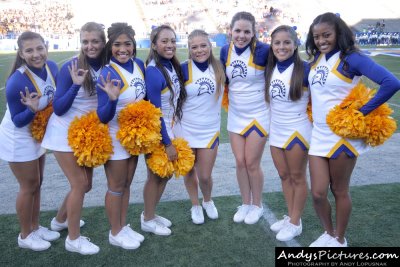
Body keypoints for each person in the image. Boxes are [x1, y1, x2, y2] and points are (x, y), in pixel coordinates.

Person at [305, 12, 400, 247]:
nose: (321, 41)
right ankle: (328, 233)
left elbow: (391, 82)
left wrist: (361, 112)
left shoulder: (352, 58)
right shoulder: (316, 60)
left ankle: (339, 238)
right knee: (317, 192)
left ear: (339, 33)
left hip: (342, 135)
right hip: (319, 133)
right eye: (316, 37)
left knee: (339, 190)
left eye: (326, 35)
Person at [41, 22, 106, 255]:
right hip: (63, 133)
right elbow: (58, 108)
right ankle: (73, 239)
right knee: (79, 184)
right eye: (85, 41)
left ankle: (60, 220)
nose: (90, 46)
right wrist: (76, 86)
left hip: (87, 136)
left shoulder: (108, 66)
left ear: (103, 42)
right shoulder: (72, 66)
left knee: (86, 185)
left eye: (95, 41)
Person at [0, 31, 60, 251]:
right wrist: (32, 111)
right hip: (18, 136)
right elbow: (17, 121)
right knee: (28, 185)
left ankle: (35, 226)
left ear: (46, 46)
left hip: (37, 133)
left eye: (39, 48)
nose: (36, 54)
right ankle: (25, 235)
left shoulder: (52, 67)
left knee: (38, 182)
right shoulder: (17, 81)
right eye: (29, 50)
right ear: (21, 54)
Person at [96, 22, 145, 250]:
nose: (122, 49)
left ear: (134, 45)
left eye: (127, 44)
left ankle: (123, 226)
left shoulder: (139, 65)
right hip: (115, 137)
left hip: (134, 137)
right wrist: (113, 99)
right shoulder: (106, 73)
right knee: (115, 186)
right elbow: (103, 117)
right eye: (117, 44)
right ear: (110, 46)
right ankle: (114, 232)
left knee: (126, 184)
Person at [220, 11, 270, 224]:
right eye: (237, 30)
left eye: (246, 31)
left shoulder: (264, 51)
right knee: (239, 162)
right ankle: (246, 203)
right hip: (236, 114)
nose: (241, 35)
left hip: (259, 113)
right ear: (230, 31)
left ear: (254, 32)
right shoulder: (225, 50)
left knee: (251, 163)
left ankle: (257, 204)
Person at [265, 25, 311, 241]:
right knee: (284, 175)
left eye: (286, 42)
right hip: (276, 130)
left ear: (295, 44)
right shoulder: (270, 68)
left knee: (297, 176)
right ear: (271, 45)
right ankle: (292, 215)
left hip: (297, 130)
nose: (281, 47)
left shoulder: (306, 69)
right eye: (277, 43)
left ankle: (295, 221)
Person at [174, 29, 225, 224]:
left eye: (203, 45)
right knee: (188, 170)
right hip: (185, 128)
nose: (199, 50)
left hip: (209, 129)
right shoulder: (183, 69)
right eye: (194, 47)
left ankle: (207, 200)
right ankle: (195, 204)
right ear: (188, 49)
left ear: (209, 46)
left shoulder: (220, 67)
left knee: (204, 175)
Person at [142, 24, 186, 235]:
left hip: (171, 127)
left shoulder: (169, 65)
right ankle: (148, 218)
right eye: (164, 41)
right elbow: (155, 111)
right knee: (155, 176)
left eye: (172, 41)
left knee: (165, 175)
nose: (170, 45)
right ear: (154, 44)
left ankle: (150, 213)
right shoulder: (153, 71)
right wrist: (167, 142)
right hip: (159, 131)